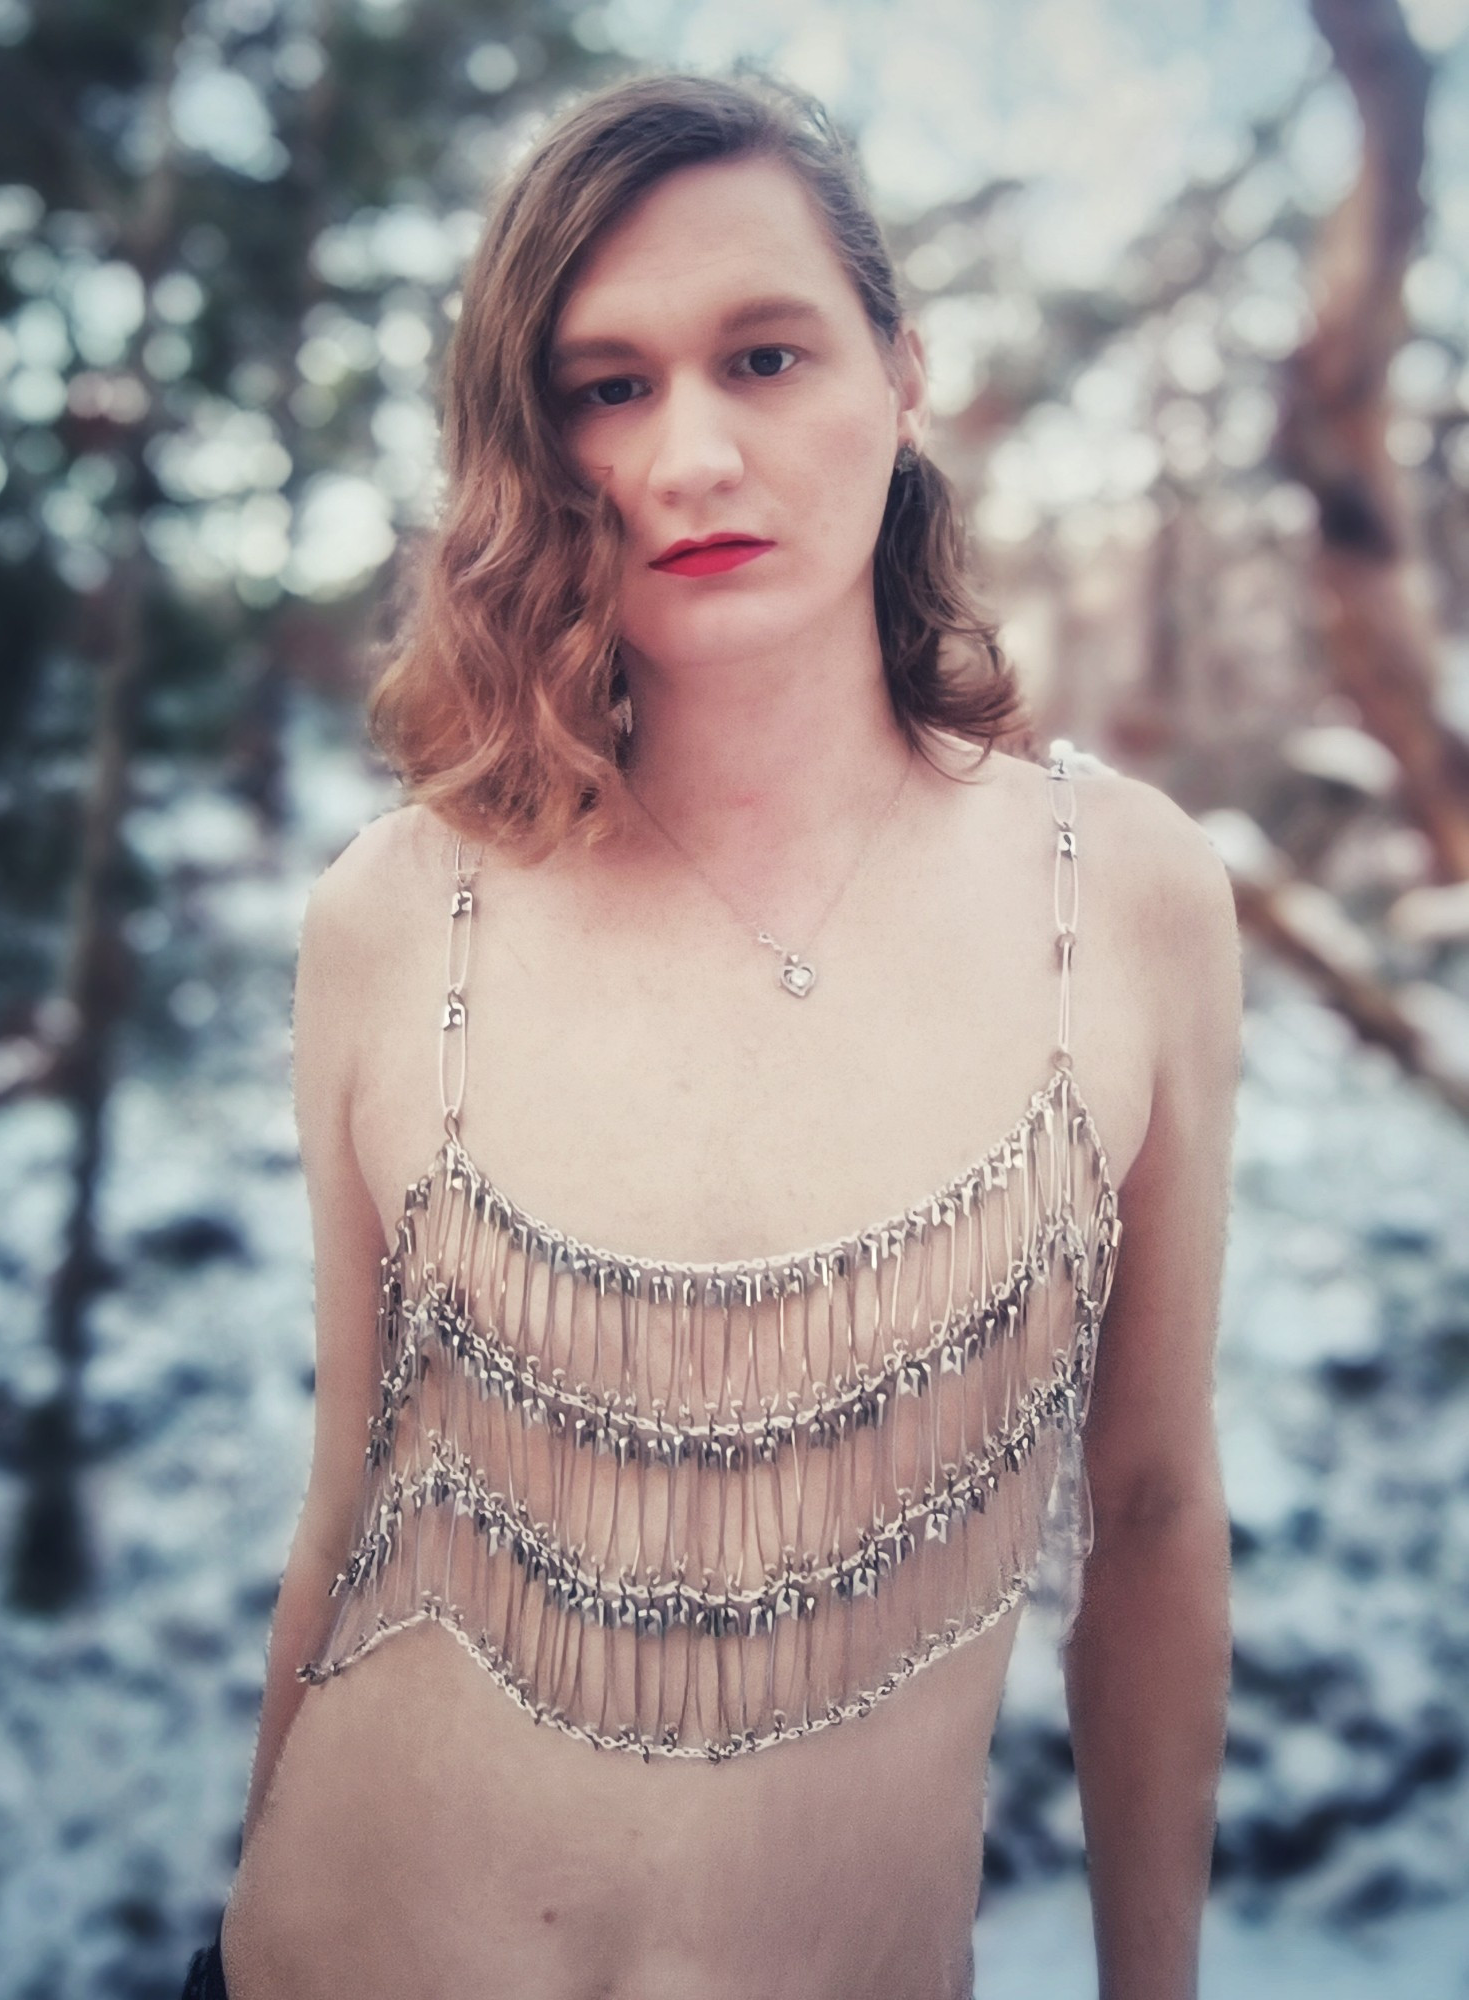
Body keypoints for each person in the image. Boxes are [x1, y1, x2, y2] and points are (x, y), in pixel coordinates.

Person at [197, 67, 1241, 2000]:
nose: (688, 455)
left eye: (764, 357)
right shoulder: (391, 911)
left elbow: (1158, 1515)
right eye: (608, 385)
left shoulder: (1133, 896)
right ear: (538, 436)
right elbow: (347, 1499)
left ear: (899, 372)